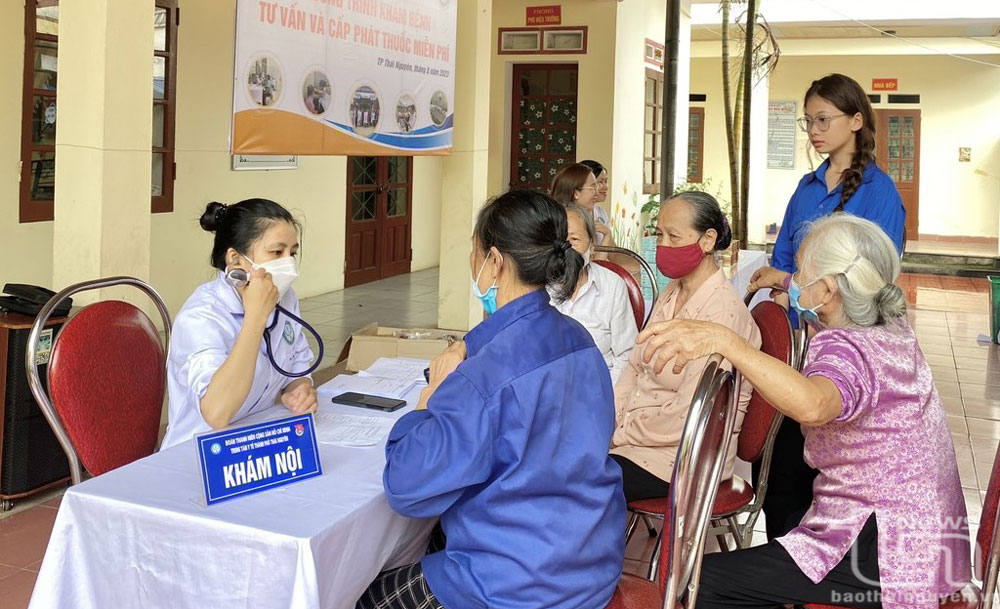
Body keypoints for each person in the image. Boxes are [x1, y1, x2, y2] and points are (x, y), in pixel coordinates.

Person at [637, 214, 970, 609]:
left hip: (886, 546)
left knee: (700, 583)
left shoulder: (847, 348)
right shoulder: (891, 324)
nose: (797, 282)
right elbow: (815, 289)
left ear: (828, 291)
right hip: (931, 532)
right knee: (791, 501)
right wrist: (781, 279)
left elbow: (814, 404)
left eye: (802, 273)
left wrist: (727, 342)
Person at [356, 190, 625, 609]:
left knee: (362, 595)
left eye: (474, 249)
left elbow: (406, 487)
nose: (471, 260)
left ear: (495, 262)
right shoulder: (580, 340)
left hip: (516, 582)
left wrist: (429, 401)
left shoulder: (482, 376)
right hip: (591, 561)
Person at [753, 73, 907, 541]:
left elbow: (869, 282)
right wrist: (785, 288)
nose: (815, 130)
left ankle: (827, 567)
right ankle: (783, 567)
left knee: (834, 474)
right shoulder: (806, 187)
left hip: (850, 354)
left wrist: (786, 281)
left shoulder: (880, 193)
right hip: (799, 349)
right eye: (808, 122)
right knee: (778, 469)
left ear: (856, 120)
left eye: (824, 119)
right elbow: (779, 264)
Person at [610, 191, 760, 503]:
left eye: (674, 237)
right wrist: (609, 421)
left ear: (707, 240)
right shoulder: (673, 292)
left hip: (681, 457)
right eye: (659, 234)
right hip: (637, 439)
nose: (662, 246)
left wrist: (619, 432)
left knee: (572, 483)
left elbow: (689, 416)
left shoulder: (721, 315)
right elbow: (635, 367)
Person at [161, 199, 318, 449]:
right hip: (201, 451)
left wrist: (300, 389)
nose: (288, 264)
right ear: (235, 260)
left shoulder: (285, 297)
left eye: (293, 253)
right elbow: (217, 412)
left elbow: (297, 365)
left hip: (258, 438)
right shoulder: (201, 316)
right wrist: (255, 318)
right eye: (277, 253)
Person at [552, 204, 637, 384]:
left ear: (592, 245)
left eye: (574, 239)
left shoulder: (612, 286)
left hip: (600, 389)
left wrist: (603, 396)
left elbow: (627, 354)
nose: (566, 248)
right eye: (560, 240)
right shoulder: (539, 286)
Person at [550, 163, 615, 247]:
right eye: (592, 187)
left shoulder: (592, 214)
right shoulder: (570, 220)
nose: (596, 192)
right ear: (576, 193)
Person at [580, 159, 611, 228]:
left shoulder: (601, 212)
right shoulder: (572, 216)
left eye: (605, 181)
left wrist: (607, 234)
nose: (605, 187)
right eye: (600, 181)